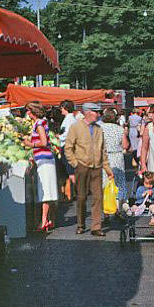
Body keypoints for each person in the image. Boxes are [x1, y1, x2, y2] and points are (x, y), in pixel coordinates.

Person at [64, 103, 113, 236]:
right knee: (81, 197)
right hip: (82, 166)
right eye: (96, 112)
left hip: (96, 167)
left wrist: (107, 168)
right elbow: (68, 147)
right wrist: (75, 164)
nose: (98, 115)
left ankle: (96, 227)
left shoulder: (99, 129)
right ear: (88, 113)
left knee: (98, 197)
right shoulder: (76, 127)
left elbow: (103, 150)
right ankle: (80, 224)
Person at [23, 102, 58, 232]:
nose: (27, 113)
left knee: (45, 191)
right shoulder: (42, 122)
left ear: (33, 112)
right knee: (48, 190)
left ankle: (43, 222)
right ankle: (48, 220)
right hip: (45, 158)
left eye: (28, 111)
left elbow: (43, 142)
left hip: (44, 159)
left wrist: (30, 144)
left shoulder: (38, 124)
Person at [99, 108, 128, 212]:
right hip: (117, 156)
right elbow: (125, 145)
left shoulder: (100, 128)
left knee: (104, 183)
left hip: (104, 157)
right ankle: (117, 209)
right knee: (118, 183)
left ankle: (106, 211)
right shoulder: (119, 129)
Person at [59, 100, 78, 200]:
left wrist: (59, 137)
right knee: (70, 170)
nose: (60, 110)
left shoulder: (69, 120)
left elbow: (67, 134)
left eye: (61, 108)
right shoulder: (70, 119)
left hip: (67, 146)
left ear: (65, 108)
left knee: (70, 171)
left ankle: (75, 192)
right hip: (69, 146)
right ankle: (72, 192)